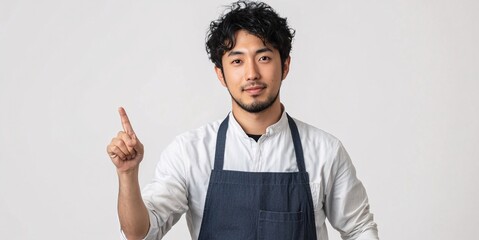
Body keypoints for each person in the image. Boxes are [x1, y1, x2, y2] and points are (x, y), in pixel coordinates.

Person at [106, 1, 379, 239]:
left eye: (263, 57)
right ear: (220, 74)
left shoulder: (324, 151)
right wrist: (127, 174)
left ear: (285, 66)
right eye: (237, 61)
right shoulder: (190, 152)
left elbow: (358, 229)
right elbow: (139, 233)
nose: (251, 73)